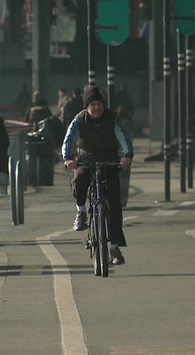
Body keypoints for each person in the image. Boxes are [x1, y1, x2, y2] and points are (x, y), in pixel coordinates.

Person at [62, 86, 133, 265]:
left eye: (99, 104)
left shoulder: (113, 118)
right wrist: (68, 158)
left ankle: (115, 247)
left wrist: (127, 156)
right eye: (92, 104)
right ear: (87, 107)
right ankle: (81, 212)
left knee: (114, 204)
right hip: (86, 159)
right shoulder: (79, 119)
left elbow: (124, 138)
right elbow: (68, 139)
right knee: (79, 181)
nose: (96, 108)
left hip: (109, 161)